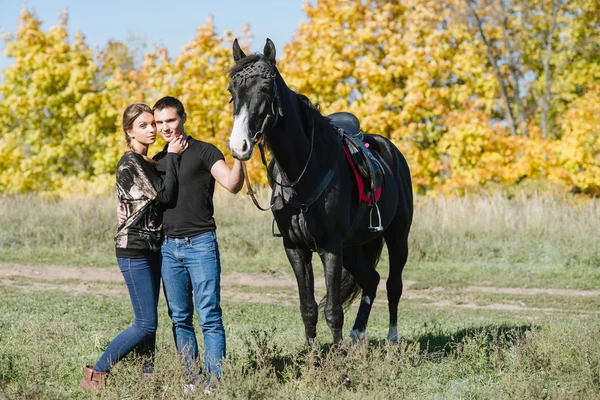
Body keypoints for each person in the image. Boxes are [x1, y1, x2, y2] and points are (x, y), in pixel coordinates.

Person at [120, 96, 244, 387]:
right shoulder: (158, 160)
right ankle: (191, 380)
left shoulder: (204, 151)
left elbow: (232, 184)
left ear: (183, 118)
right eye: (158, 122)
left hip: (201, 243)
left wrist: (240, 156)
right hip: (167, 247)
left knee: (210, 316)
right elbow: (146, 198)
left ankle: (214, 384)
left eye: (170, 120)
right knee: (179, 319)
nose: (164, 127)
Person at [81, 103, 188, 390]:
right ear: (129, 131)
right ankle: (96, 374)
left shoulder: (148, 161)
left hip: (151, 247)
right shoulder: (131, 161)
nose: (152, 129)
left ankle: (147, 376)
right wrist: (175, 157)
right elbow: (164, 195)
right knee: (145, 324)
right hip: (133, 249)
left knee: (149, 320)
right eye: (144, 125)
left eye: (153, 124)